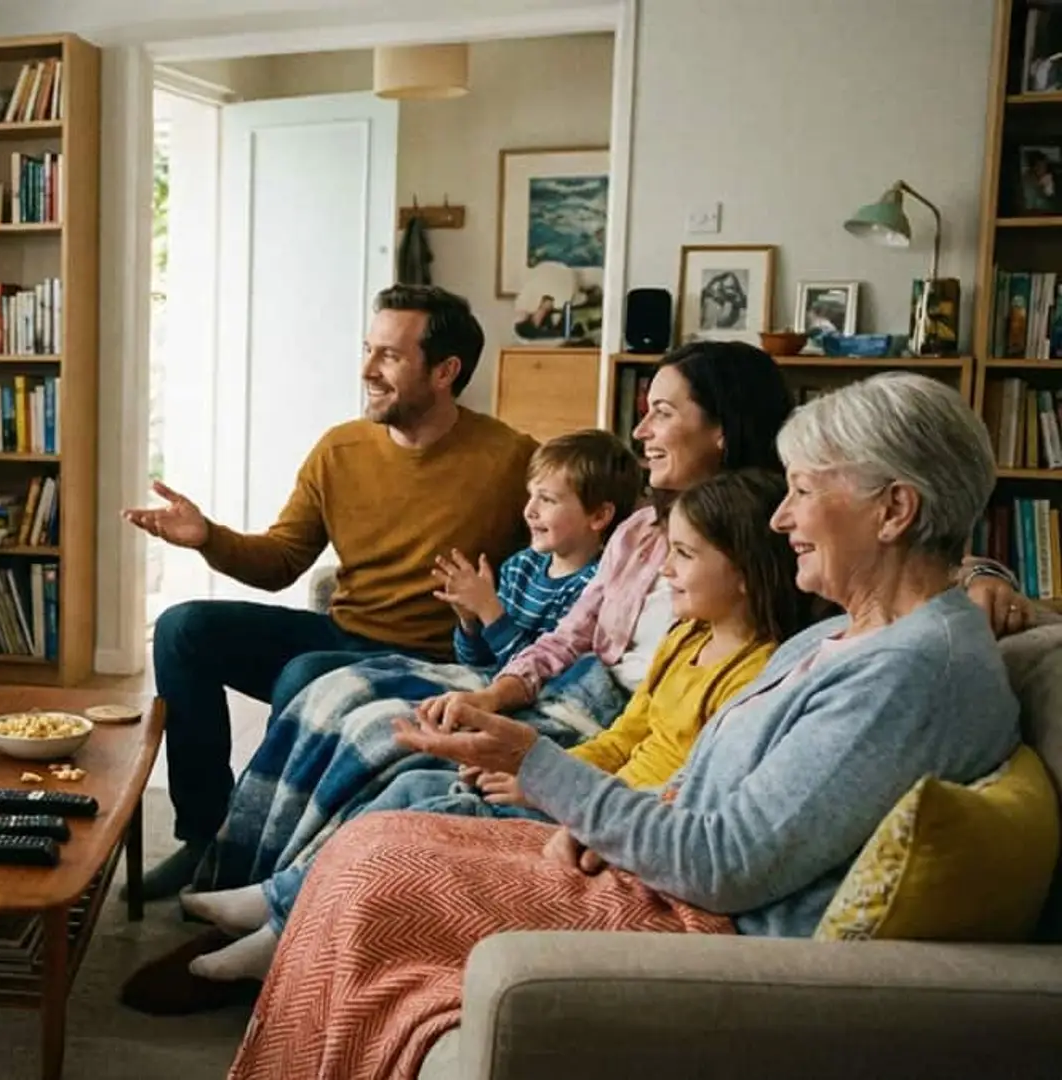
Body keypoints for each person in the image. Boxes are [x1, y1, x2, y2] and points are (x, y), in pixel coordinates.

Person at [227, 372, 1025, 1078]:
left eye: (805, 492)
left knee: (375, 878)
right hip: (663, 871)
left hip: (704, 924)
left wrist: (539, 765)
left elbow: (727, 865)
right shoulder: (848, 633)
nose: (783, 519)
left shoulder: (909, 673)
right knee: (373, 839)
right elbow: (716, 792)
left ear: (895, 510)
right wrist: (610, 824)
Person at [181, 466, 811, 982]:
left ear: (745, 570)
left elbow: (682, 787)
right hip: (583, 788)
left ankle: (280, 929)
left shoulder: (754, 675)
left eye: (684, 555)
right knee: (409, 786)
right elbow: (623, 736)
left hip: (613, 819)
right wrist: (553, 773)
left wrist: (547, 789)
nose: (665, 570)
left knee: (439, 807)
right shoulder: (684, 640)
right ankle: (280, 901)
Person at [124, 283, 538, 898]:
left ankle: (262, 856)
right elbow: (281, 561)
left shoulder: (511, 460)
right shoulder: (340, 450)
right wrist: (207, 535)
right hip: (348, 633)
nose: (368, 370)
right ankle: (204, 836)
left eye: (389, 356)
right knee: (184, 629)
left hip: (435, 660)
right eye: (368, 350)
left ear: (445, 371)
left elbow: (569, 553)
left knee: (306, 675)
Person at [442, 428, 643, 676]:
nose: (530, 510)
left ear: (599, 516)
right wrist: (471, 622)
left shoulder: (593, 588)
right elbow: (476, 664)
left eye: (547, 499)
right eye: (531, 495)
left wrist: (490, 612)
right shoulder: (519, 567)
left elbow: (538, 673)